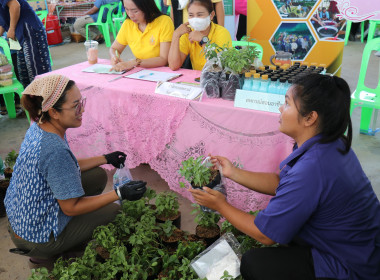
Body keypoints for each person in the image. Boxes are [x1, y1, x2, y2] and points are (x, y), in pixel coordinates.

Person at [190, 74, 380, 280]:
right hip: (361, 247)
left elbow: (265, 235)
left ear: (310, 118)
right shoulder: (330, 143)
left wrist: (221, 206)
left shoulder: (313, 168)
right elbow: (281, 182)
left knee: (255, 264)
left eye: (287, 104)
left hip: (351, 265)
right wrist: (233, 172)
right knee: (287, 234)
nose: (281, 109)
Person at [4, 74, 147, 262]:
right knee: (113, 211)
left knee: (97, 175)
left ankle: (72, 234)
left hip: (22, 219)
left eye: (82, 102)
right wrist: (119, 194)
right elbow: (71, 207)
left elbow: (64, 167)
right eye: (75, 106)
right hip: (35, 237)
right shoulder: (53, 149)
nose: (82, 110)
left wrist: (105, 158)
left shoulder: (41, 126)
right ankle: (47, 252)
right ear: (54, 111)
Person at [109, 0, 174, 72]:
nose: (130, 15)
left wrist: (134, 62)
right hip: (141, 72)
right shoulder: (128, 24)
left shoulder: (164, 21)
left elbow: (163, 59)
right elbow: (114, 48)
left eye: (135, 11)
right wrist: (114, 56)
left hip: (163, 72)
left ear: (147, 7)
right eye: (126, 9)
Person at [168, 0, 231, 71]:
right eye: (191, 15)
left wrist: (203, 40)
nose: (195, 19)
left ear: (211, 15)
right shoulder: (188, 33)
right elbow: (173, 66)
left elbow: (217, 67)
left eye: (200, 15)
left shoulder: (222, 33)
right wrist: (176, 35)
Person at [0, 0, 51, 88]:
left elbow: (15, 6)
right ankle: (32, 99)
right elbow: (3, 23)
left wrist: (11, 29)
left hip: (29, 29)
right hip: (19, 34)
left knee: (36, 70)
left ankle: (44, 99)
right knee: (24, 73)